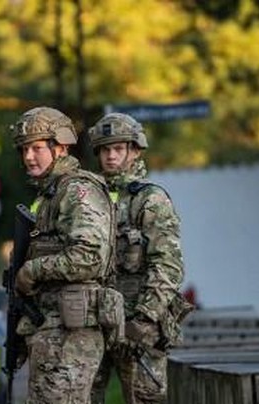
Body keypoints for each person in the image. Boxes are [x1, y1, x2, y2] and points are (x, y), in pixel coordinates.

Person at [10, 107, 115, 403]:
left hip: (72, 337)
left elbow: (89, 256)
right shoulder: (49, 195)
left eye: (37, 148)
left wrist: (33, 271)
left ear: (61, 146)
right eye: (24, 149)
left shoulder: (77, 190)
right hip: (52, 333)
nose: (28, 157)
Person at [87, 113, 189, 404]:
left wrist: (145, 319)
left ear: (135, 150)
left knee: (145, 398)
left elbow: (168, 265)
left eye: (118, 149)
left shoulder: (150, 199)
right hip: (95, 323)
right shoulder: (89, 199)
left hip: (139, 325)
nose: (110, 156)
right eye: (105, 150)